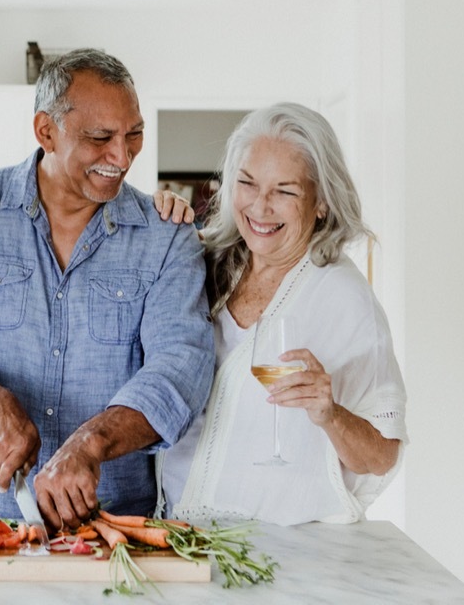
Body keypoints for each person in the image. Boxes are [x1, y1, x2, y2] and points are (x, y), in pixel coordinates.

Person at [0, 48, 215, 528]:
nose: (122, 156)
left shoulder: (167, 234)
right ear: (46, 131)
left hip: (117, 529)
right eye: (99, 138)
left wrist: (91, 443)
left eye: (134, 135)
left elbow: (180, 370)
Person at [158, 102, 407, 526]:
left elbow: (381, 455)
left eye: (285, 191)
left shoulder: (344, 299)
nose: (260, 206)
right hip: (176, 531)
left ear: (322, 202)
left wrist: (331, 414)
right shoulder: (204, 262)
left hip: (279, 549)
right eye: (247, 183)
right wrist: (156, 221)